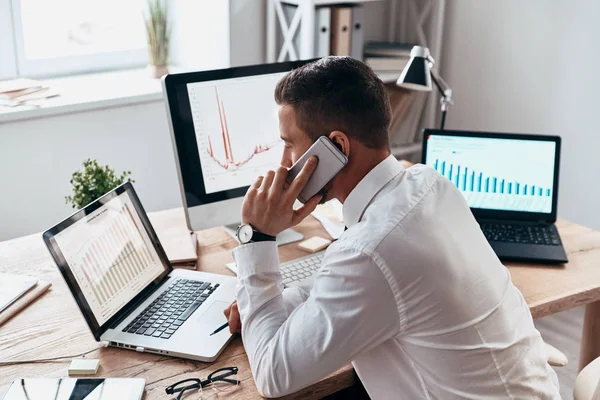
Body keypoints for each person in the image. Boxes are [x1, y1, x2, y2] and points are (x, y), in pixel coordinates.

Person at [224, 56, 560, 399]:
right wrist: (268, 304)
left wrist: (258, 236)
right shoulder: (429, 184)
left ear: (337, 147)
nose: (284, 163)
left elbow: (271, 374)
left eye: (289, 144)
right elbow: (353, 282)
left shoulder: (371, 250)